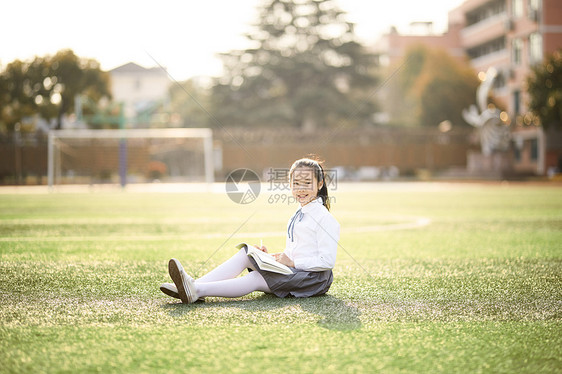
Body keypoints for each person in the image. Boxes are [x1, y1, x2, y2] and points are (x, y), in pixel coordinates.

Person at [160, 157, 340, 303]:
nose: (301, 189)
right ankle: (191, 286)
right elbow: (297, 251)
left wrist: (293, 263)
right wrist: (273, 257)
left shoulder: (324, 218)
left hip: (313, 280)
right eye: (296, 183)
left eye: (307, 183)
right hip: (296, 271)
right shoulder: (299, 213)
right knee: (247, 253)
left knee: (255, 279)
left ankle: (197, 290)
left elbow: (327, 261)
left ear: (320, 183)